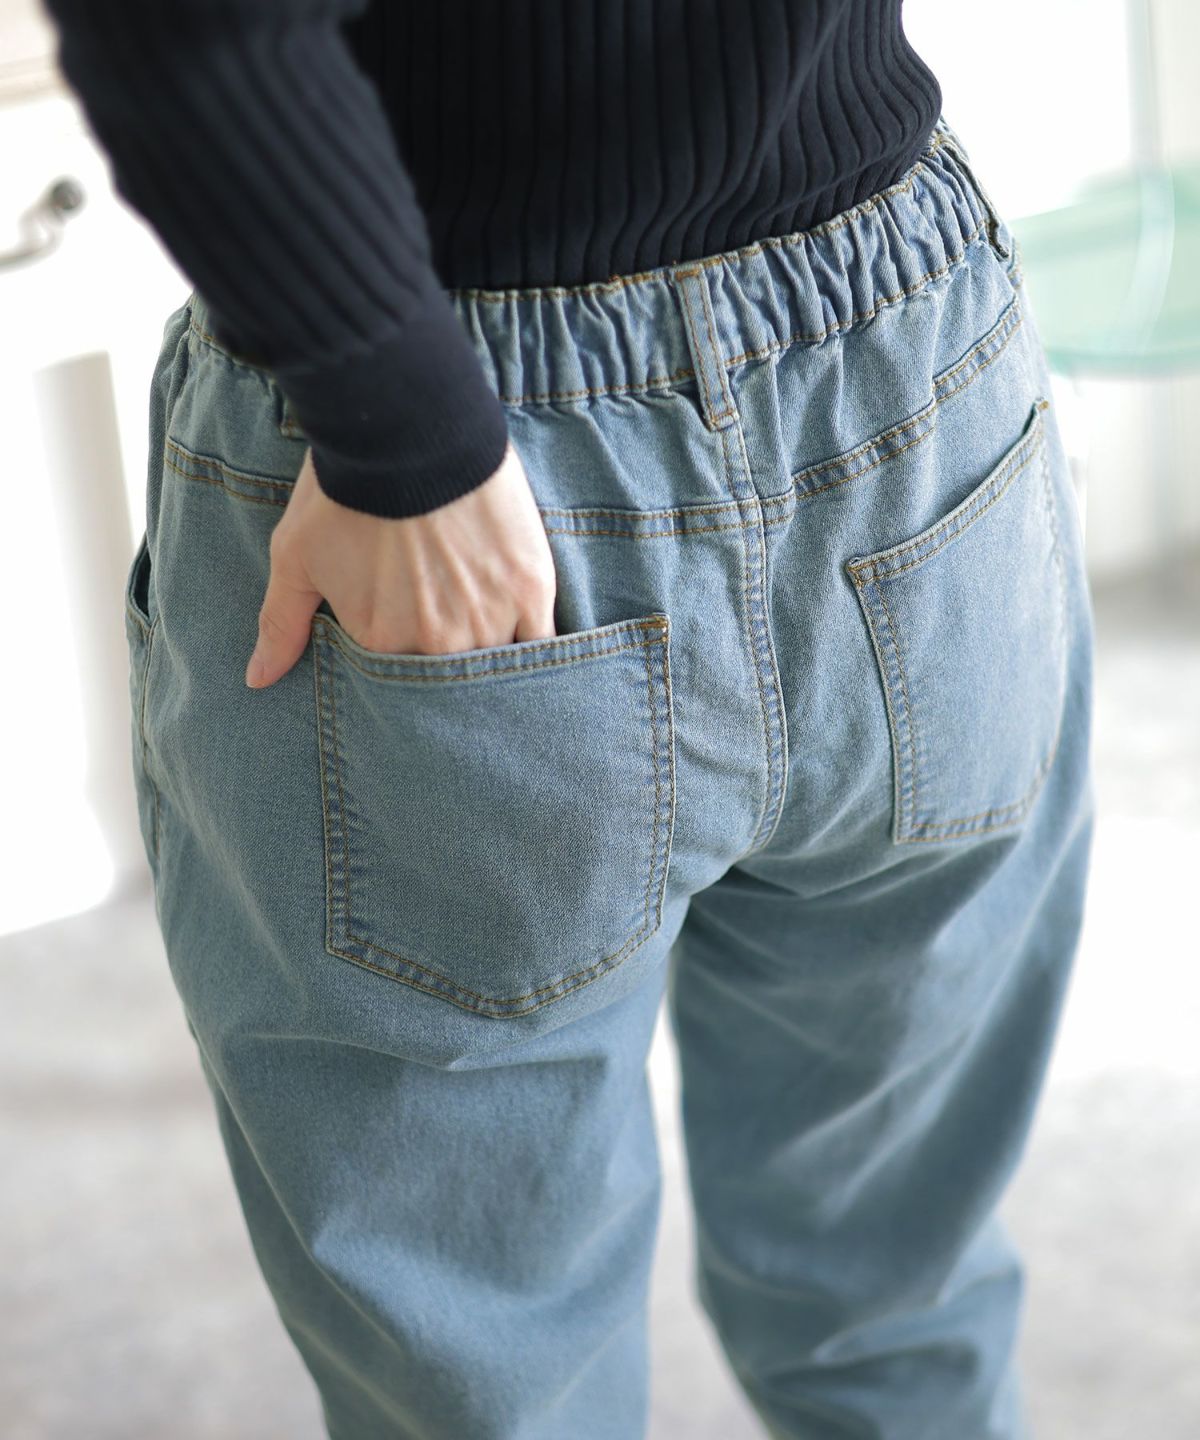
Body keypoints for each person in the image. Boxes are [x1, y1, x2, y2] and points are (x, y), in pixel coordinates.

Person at [45, 3, 1096, 1437]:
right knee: (899, 1297)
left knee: (494, 1380)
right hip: (908, 369)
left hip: (466, 432)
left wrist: (400, 430)